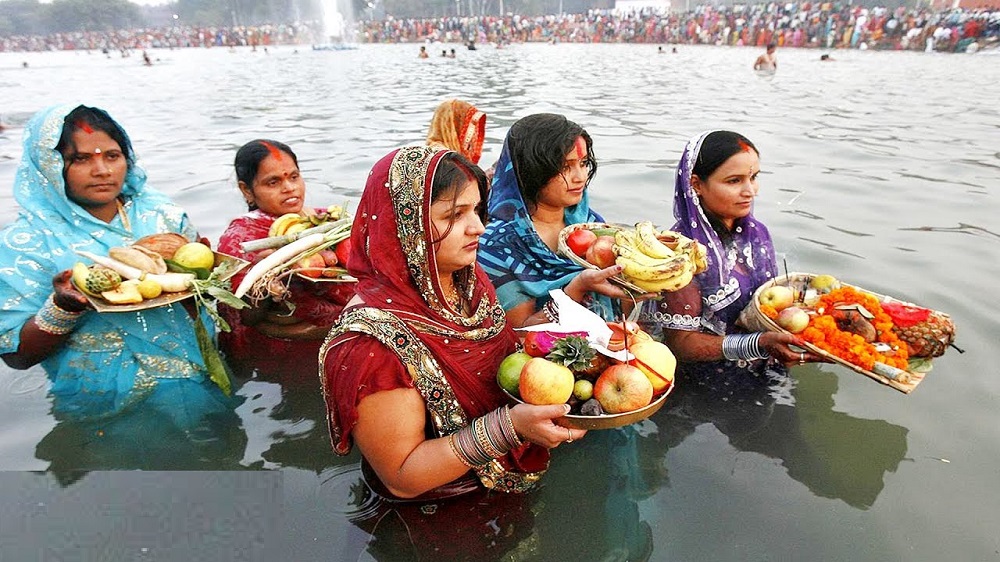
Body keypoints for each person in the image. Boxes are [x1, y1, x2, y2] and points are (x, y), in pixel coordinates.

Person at [321, 146, 579, 503]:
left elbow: (500, 357)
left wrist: (576, 306)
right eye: (454, 215)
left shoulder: (466, 282)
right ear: (405, 226)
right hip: (439, 513)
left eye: (476, 210)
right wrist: (509, 427)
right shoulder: (370, 343)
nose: (478, 227)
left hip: (503, 488)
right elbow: (402, 477)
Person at [0, 104, 234, 421]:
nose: (103, 170)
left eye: (112, 155)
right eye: (81, 159)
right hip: (102, 406)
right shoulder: (27, 242)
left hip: (198, 383)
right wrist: (63, 307)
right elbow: (17, 355)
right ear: (50, 166)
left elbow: (201, 305)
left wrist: (205, 279)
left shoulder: (161, 214)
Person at [638, 131, 822, 388]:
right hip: (705, 388)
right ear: (696, 185)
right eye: (734, 181)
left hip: (767, 367)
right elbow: (681, 346)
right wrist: (758, 343)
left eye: (754, 178)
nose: (750, 191)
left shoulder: (757, 234)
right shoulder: (680, 253)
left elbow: (769, 306)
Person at [477, 113, 640, 328]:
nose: (580, 177)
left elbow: (618, 311)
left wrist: (634, 288)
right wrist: (576, 289)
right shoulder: (497, 243)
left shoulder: (591, 224)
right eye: (565, 167)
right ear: (531, 171)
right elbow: (519, 333)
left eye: (583, 164)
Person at [216, 139, 352, 375]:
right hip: (277, 357)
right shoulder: (243, 240)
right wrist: (268, 276)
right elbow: (246, 315)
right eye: (273, 182)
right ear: (247, 190)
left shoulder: (326, 222)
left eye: (294, 177)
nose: (289, 188)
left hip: (336, 342)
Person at [425, 99, 487, 166]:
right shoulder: (445, 158)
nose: (473, 134)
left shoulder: (429, 152)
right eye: (468, 125)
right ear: (456, 125)